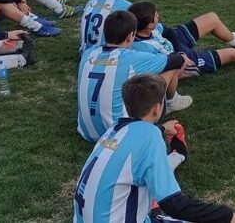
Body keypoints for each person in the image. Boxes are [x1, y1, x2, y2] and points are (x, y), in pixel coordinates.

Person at [72, 74, 235, 223]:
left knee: (147, 196)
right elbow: (174, 204)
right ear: (158, 108)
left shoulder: (114, 130)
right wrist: (223, 214)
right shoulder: (149, 136)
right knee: (220, 216)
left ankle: (178, 155)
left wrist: (162, 129)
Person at [76, 11, 192, 143]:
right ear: (131, 36)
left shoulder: (89, 54)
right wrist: (182, 56)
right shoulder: (130, 58)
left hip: (86, 132)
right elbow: (175, 60)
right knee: (166, 69)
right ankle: (172, 102)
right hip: (117, 136)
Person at [128, 1, 235, 78]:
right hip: (182, 60)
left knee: (211, 18)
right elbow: (166, 68)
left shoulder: (151, 27)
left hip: (176, 45)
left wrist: (180, 48)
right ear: (149, 24)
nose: (159, 17)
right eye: (156, 15)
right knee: (231, 54)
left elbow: (169, 31)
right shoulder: (143, 49)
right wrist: (184, 59)